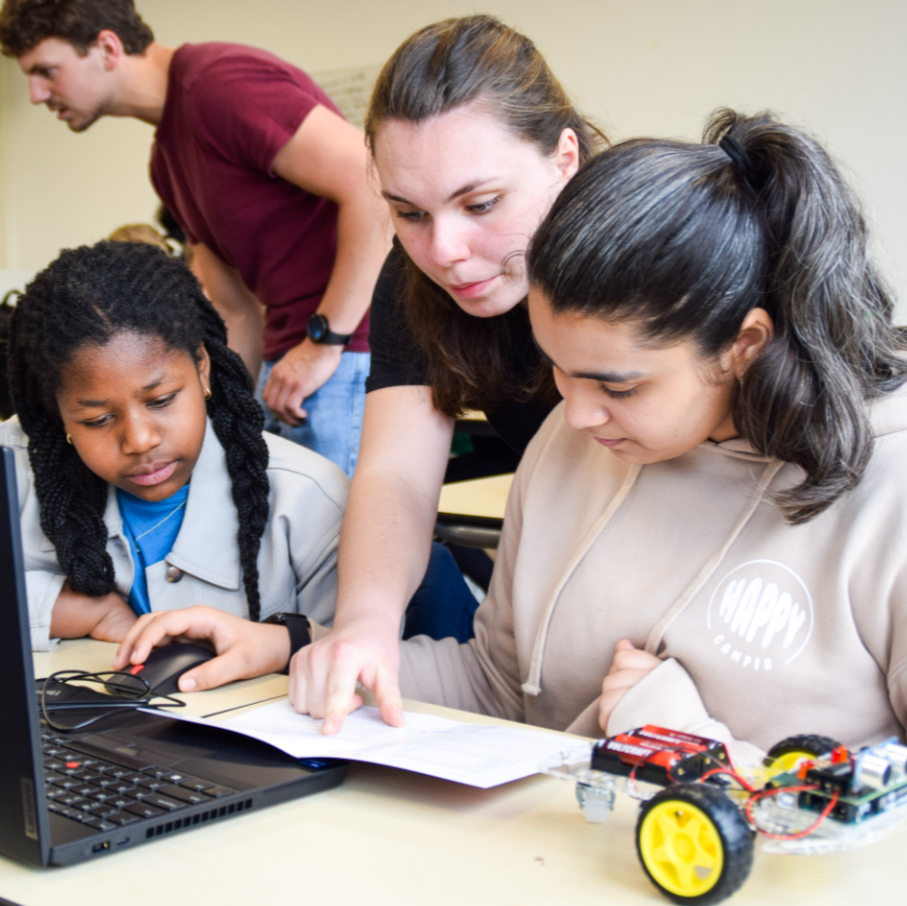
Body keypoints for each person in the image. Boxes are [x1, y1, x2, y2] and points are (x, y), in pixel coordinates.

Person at [290, 109, 907, 757]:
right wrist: (301, 651)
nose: (578, 416)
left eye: (618, 387)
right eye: (559, 371)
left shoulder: (886, 490)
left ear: (743, 346)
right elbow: (500, 690)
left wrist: (691, 746)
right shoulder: (572, 436)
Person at [290, 15, 607, 733]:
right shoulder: (416, 280)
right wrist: (366, 623)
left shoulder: (653, 245)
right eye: (408, 212)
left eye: (481, 203)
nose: (445, 251)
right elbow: (396, 476)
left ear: (565, 158)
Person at [0, 0, 390, 477]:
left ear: (106, 47)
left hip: (351, 346)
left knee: (343, 545)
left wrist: (325, 340)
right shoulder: (165, 162)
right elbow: (232, 308)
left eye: (46, 71)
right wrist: (222, 411)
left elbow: (374, 186)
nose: (37, 94)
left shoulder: (221, 83)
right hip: (289, 360)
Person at [2, 240, 348, 691]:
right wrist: (72, 609)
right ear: (56, 412)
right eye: (97, 419)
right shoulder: (18, 466)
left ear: (202, 367)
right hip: (88, 740)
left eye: (162, 400)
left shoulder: (307, 497)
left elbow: (355, 663)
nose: (140, 440)